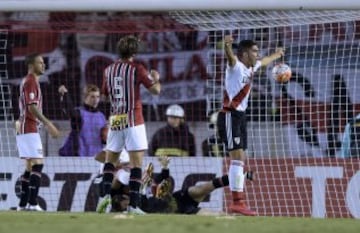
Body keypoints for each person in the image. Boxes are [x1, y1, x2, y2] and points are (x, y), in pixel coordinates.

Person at [216, 35, 284, 216]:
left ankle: (238, 202)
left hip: (240, 117)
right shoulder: (236, 66)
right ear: (245, 54)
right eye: (254, 51)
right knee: (236, 157)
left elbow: (265, 61)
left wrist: (277, 54)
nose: (258, 53)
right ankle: (237, 202)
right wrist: (228, 46)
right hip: (229, 116)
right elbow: (230, 58)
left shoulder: (252, 67)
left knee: (240, 159)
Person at [99, 35, 161, 214]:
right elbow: (155, 90)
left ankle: (104, 199)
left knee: (110, 163)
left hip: (116, 120)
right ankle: (133, 206)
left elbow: (104, 96)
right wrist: (156, 78)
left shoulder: (108, 69)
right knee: (136, 165)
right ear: (134, 52)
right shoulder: (137, 69)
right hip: (134, 120)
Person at [15, 53, 60, 211]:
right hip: (29, 127)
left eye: (43, 62)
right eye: (40, 62)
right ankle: (33, 203)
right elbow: (31, 107)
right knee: (38, 165)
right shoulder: (30, 81)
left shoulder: (30, 82)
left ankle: (22, 205)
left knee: (29, 168)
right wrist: (48, 124)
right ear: (31, 65)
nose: (43, 65)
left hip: (26, 128)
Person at [58, 84, 107, 157]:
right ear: (85, 97)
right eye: (92, 97)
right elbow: (69, 110)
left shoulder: (101, 116)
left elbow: (104, 138)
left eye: (98, 97)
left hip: (97, 156)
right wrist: (65, 94)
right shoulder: (79, 113)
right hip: (79, 155)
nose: (96, 100)